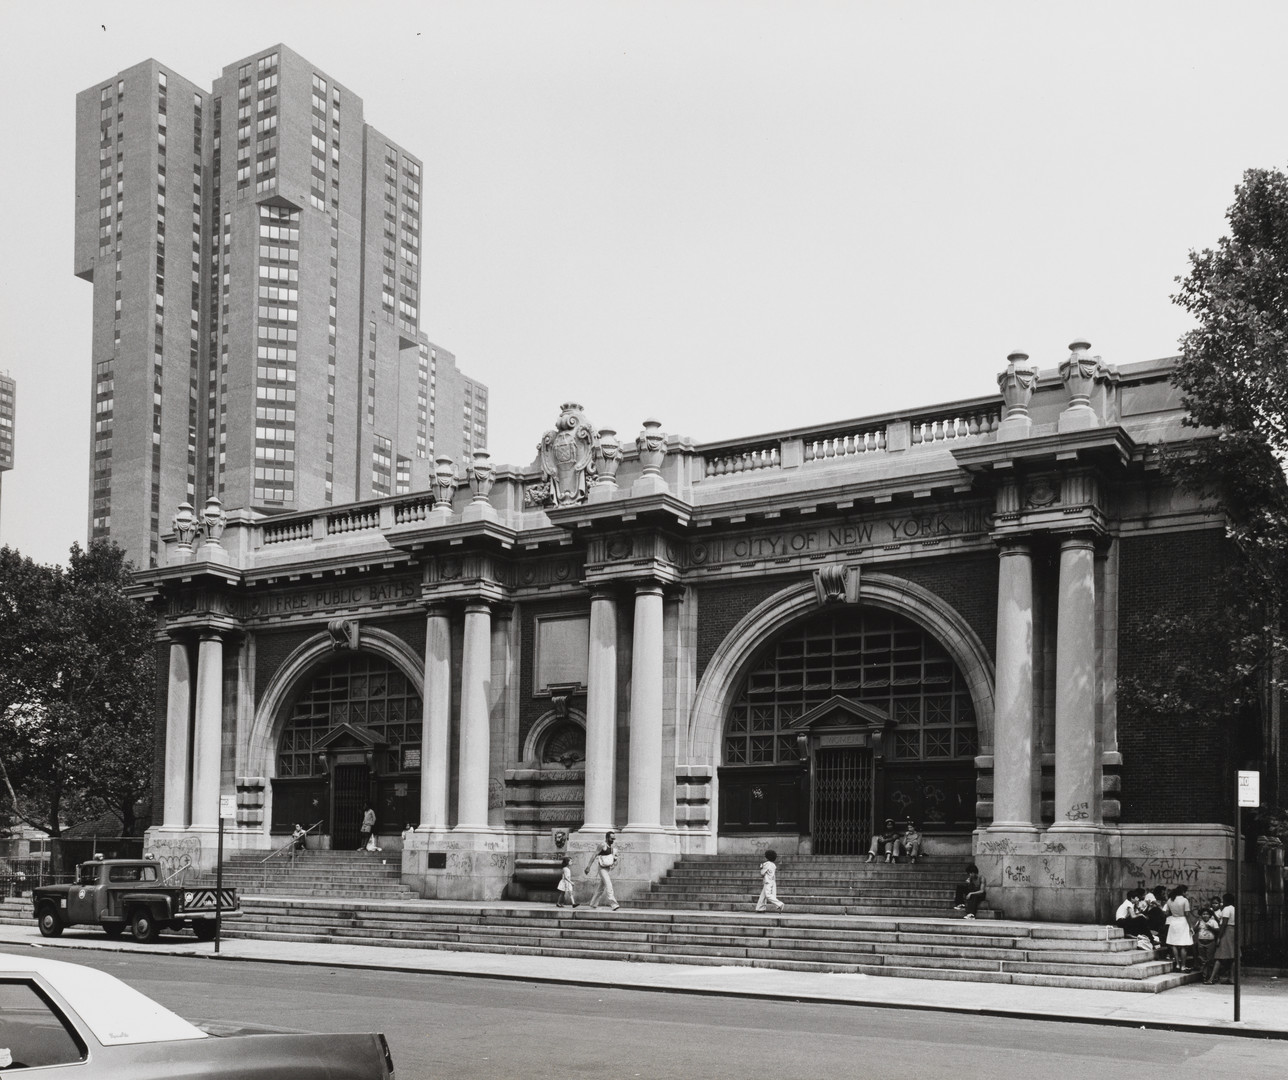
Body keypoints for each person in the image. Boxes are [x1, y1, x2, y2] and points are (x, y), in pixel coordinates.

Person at [584, 830, 620, 910]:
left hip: (607, 869)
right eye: (611, 838)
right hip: (602, 869)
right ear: (607, 838)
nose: (613, 840)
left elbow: (612, 859)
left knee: (601, 887)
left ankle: (593, 903)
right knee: (609, 884)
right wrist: (588, 867)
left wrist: (615, 859)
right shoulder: (602, 845)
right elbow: (594, 855)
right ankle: (614, 904)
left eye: (614, 839)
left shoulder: (611, 848)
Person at [1208, 892, 1237, 984]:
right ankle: (1231, 977)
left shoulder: (1226, 909)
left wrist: (1219, 937)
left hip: (1226, 932)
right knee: (1233, 956)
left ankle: (1211, 978)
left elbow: (1224, 923)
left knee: (1219, 956)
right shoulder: (1234, 909)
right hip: (1233, 931)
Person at [1164, 883, 1194, 972]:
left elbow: (1167, 913)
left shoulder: (1170, 900)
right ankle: (1183, 965)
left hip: (1173, 922)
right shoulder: (1185, 900)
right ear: (1183, 891)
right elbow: (1187, 914)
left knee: (1174, 945)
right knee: (1184, 945)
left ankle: (1177, 964)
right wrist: (1191, 926)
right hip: (1183, 922)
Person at [1193, 906, 1220, 981]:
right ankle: (1204, 976)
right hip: (1201, 942)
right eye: (1203, 914)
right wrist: (1197, 925)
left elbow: (1218, 931)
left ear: (1210, 915)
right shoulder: (1199, 922)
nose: (1205, 915)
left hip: (1210, 942)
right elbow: (1194, 931)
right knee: (1203, 959)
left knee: (1210, 959)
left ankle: (1212, 976)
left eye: (1207, 914)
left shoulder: (1213, 922)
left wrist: (1211, 928)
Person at [755, 849, 786, 913]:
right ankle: (760, 908)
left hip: (767, 881)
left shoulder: (766, 864)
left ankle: (779, 904)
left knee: (768, 895)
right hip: (771, 881)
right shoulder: (773, 865)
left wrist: (761, 867)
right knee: (763, 895)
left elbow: (762, 873)